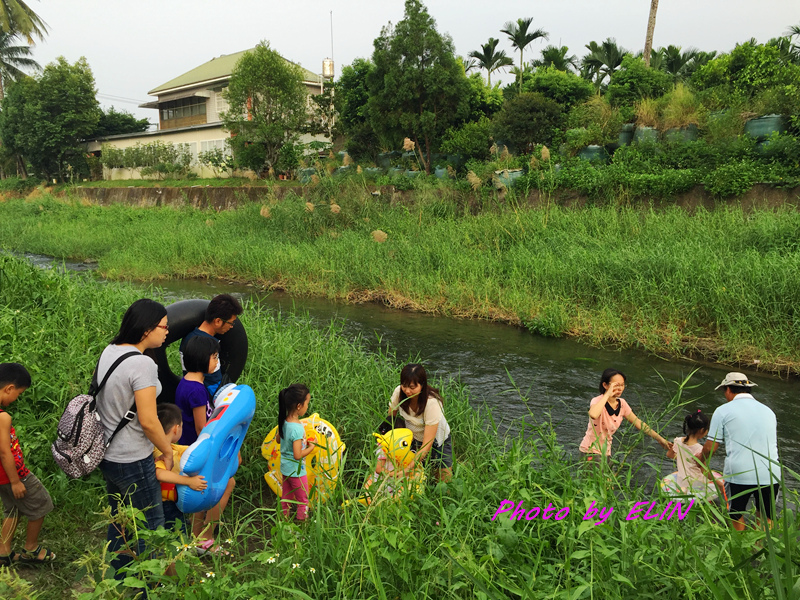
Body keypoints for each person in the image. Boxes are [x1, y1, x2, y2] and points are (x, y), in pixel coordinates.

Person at [96, 299, 174, 577]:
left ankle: (117, 577)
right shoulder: (142, 364)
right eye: (164, 327)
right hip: (132, 458)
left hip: (107, 453)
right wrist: (167, 451)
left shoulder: (110, 351)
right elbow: (149, 421)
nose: (167, 332)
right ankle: (147, 588)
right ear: (146, 330)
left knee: (120, 520)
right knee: (151, 524)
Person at [699, 372, 781, 531]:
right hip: (770, 472)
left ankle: (739, 548)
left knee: (736, 513)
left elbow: (710, 448)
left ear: (728, 389)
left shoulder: (722, 411)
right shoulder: (769, 411)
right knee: (766, 515)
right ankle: (760, 550)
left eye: (724, 391)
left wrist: (700, 460)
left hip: (739, 473)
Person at [154, 404, 234, 553]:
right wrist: (189, 482)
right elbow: (160, 474)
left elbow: (192, 449)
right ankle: (176, 564)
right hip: (165, 506)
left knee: (178, 533)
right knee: (175, 536)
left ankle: (182, 556)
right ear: (176, 429)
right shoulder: (161, 452)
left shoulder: (172, 447)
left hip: (172, 503)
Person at [0, 363, 55, 565]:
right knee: (42, 503)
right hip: (13, 474)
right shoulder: (2, 417)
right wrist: (15, 481)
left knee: (12, 508)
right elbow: (4, 452)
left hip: (1, 478)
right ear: (9, 388)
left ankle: (3, 552)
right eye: (19, 394)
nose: (17, 398)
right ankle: (31, 549)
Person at [579, 368, 672, 459]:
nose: (620, 388)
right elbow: (593, 414)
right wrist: (607, 394)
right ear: (605, 385)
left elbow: (639, 423)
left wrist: (660, 439)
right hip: (590, 451)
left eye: (622, 385)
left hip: (606, 452)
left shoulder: (622, 404)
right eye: (616, 385)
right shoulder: (597, 401)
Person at [388, 364, 453, 482]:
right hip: (413, 438)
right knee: (414, 479)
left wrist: (407, 469)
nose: (407, 391)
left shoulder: (431, 403)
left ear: (422, 385)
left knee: (444, 481)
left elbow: (427, 444)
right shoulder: (399, 392)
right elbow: (390, 419)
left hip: (437, 441)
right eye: (404, 385)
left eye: (412, 387)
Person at [179, 294, 243, 399]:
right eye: (230, 323)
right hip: (210, 396)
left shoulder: (195, 336)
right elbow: (206, 382)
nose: (231, 327)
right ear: (218, 321)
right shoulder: (201, 344)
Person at [276, 384, 316, 521]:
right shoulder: (297, 428)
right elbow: (297, 455)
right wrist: (311, 448)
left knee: (286, 495)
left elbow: (278, 440)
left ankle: (283, 522)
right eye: (307, 403)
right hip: (297, 471)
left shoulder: (284, 421)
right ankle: (301, 526)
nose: (307, 407)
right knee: (303, 499)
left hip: (285, 468)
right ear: (299, 406)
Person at [665, 410, 725, 501]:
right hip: (696, 484)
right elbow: (704, 471)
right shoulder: (699, 449)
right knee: (711, 500)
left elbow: (669, 454)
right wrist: (719, 484)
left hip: (681, 482)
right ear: (702, 430)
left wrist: (684, 459)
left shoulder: (678, 441)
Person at [175, 336, 220, 445]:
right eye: (214, 357)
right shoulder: (196, 391)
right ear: (202, 358)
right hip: (195, 445)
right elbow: (201, 428)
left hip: (186, 441)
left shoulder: (186, 381)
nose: (217, 361)